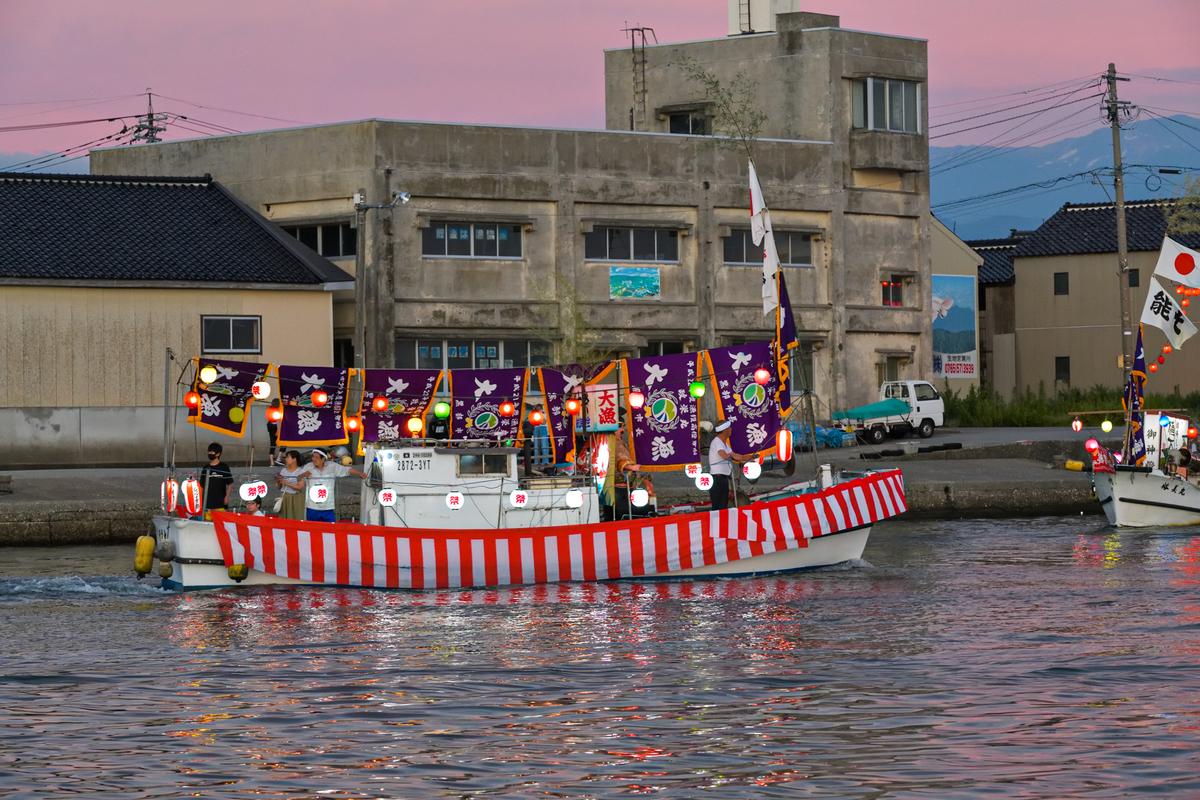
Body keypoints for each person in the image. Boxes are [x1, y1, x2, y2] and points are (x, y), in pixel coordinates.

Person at [302, 448, 367, 523]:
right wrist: (303, 475)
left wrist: (360, 474)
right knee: (313, 528)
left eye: (316, 457)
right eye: (313, 457)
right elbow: (298, 478)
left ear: (323, 459)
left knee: (330, 528)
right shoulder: (308, 467)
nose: (313, 459)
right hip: (312, 507)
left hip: (328, 507)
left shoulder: (332, 466)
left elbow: (347, 470)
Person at [708, 419, 751, 512]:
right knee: (718, 506)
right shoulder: (717, 442)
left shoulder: (725, 444)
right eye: (729, 428)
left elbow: (736, 456)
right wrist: (732, 456)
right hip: (717, 479)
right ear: (724, 430)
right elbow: (723, 455)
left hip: (723, 478)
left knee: (723, 505)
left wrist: (750, 457)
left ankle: (722, 520)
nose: (731, 429)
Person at [198, 442, 233, 520]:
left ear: (218, 454)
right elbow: (201, 486)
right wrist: (200, 501)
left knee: (220, 523)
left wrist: (227, 497)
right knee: (207, 523)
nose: (210, 453)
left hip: (220, 503)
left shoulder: (224, 467)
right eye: (209, 452)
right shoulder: (205, 468)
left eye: (212, 452)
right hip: (207, 504)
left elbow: (230, 484)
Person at [275, 450, 308, 520]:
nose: (286, 459)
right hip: (284, 497)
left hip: (296, 498)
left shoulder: (301, 471)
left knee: (295, 518)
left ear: (294, 459)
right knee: (284, 518)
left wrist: (285, 482)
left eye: (288, 457)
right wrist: (278, 481)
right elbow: (279, 487)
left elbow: (300, 487)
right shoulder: (283, 471)